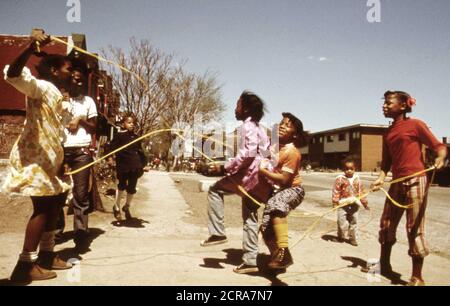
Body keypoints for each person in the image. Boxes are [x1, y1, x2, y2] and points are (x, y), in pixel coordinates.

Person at [3, 33, 73, 283]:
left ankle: (46, 254)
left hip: (52, 159)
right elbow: (13, 74)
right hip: (35, 158)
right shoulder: (40, 87)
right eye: (68, 69)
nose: (72, 73)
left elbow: (58, 131)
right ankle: (24, 266)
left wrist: (62, 159)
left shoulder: (56, 94)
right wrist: (30, 47)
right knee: (42, 208)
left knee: (54, 206)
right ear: (54, 70)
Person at [370, 90, 447, 286]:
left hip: (416, 180)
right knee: (386, 223)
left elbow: (438, 146)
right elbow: (386, 162)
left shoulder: (415, 125)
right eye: (384, 103)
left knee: (414, 227)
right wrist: (380, 178)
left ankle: (417, 277)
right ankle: (384, 265)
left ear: (403, 106)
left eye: (388, 103)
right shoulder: (387, 132)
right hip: (396, 181)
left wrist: (440, 158)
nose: (384, 106)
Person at [200, 91, 273, 274]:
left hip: (248, 176)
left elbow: (247, 154)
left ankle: (217, 232)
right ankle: (250, 261)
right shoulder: (260, 128)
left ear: (246, 109)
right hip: (260, 178)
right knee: (250, 216)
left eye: (237, 105)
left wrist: (224, 168)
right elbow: (265, 153)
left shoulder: (247, 126)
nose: (235, 109)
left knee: (215, 190)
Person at [259, 113, 307, 270]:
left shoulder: (292, 152)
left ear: (295, 134)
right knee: (266, 227)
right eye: (281, 123)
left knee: (275, 204)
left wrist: (263, 171)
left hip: (294, 189)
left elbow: (284, 180)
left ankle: (284, 251)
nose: (282, 126)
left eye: (287, 125)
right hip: (278, 191)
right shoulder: (275, 148)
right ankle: (277, 258)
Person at [62, 60, 98, 249]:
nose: (78, 83)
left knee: (81, 194)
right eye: (74, 79)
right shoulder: (60, 98)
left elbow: (94, 128)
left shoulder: (89, 102)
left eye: (81, 81)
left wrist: (80, 119)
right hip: (60, 148)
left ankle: (81, 234)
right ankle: (55, 232)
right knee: (58, 193)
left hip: (81, 151)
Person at [107, 114, 150, 220]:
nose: (132, 125)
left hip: (134, 167)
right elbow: (110, 148)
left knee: (132, 188)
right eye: (129, 122)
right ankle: (116, 207)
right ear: (123, 124)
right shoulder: (119, 136)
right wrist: (109, 159)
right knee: (121, 185)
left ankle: (126, 206)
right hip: (123, 165)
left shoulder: (136, 138)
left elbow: (140, 153)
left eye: (133, 123)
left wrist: (143, 165)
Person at [331, 158, 369, 246]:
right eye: (347, 169)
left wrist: (365, 203)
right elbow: (336, 191)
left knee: (354, 221)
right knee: (341, 222)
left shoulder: (357, 179)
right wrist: (335, 202)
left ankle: (352, 238)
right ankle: (340, 237)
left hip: (354, 204)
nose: (349, 171)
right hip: (343, 204)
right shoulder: (340, 179)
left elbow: (361, 192)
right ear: (343, 169)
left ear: (355, 169)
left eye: (351, 169)